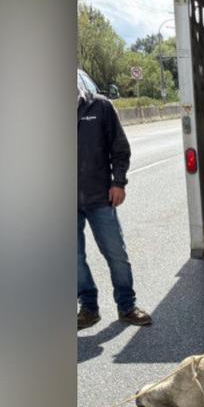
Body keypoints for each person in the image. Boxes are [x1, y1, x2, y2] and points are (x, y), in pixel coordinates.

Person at [77, 78, 152, 330]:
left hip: (99, 196)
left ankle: (127, 306)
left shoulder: (100, 107)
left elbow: (120, 149)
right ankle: (88, 308)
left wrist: (118, 182)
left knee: (116, 254)